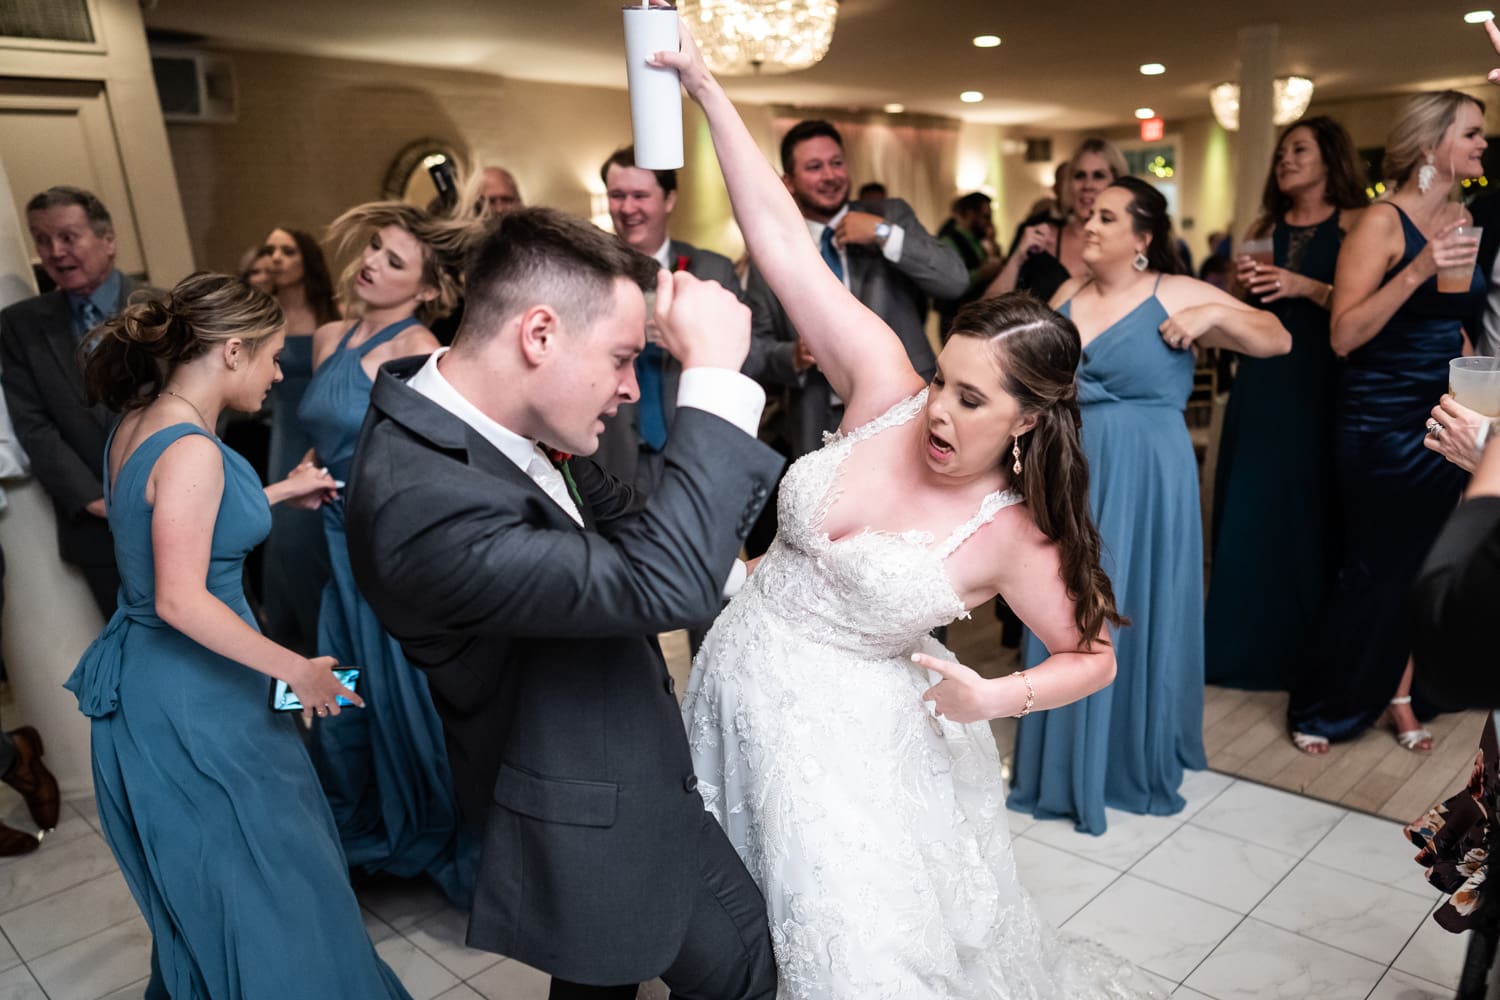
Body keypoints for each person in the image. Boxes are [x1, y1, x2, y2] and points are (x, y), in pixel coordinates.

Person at [658, 20, 1159, 997]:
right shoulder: (884, 382)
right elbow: (778, 243)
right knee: (724, 924)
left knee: (842, 954)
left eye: (972, 402)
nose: (938, 409)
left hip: (848, 753)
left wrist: (991, 697)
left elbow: (1092, 656)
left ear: (1025, 424)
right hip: (732, 688)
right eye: (945, 381)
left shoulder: (1015, 531)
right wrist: (708, 90)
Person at [344, 205, 783, 999]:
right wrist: (715, 377)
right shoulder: (421, 501)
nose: (627, 387)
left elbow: (627, 518)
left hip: (610, 770)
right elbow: (662, 584)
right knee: (743, 968)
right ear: (538, 334)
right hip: (587, 808)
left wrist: (770, 587)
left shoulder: (488, 414)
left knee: (604, 978)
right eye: (621, 357)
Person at [63, 271, 410, 999]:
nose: (279, 373)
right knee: (274, 882)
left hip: (157, 684)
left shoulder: (140, 422)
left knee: (234, 882)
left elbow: (166, 518)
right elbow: (182, 598)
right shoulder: (193, 449)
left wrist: (280, 492)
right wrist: (300, 671)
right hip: (203, 696)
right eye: (273, 356)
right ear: (229, 351)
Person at [1010, 177, 1291, 836]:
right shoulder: (1067, 295)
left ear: (1141, 238)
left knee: (1136, 602)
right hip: (1074, 465)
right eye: (1090, 214)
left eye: (1108, 217)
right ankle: (1065, 762)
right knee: (1068, 600)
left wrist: (1214, 316)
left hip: (1151, 470)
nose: (1091, 224)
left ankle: (1133, 752)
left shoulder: (1175, 290)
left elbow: (1277, 337)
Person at [1288, 90, 1487, 754]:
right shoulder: (1379, 221)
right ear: (1433, 143)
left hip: (1441, 411)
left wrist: (1470, 380)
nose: (1484, 145)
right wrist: (1420, 267)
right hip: (1377, 418)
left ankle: (1401, 696)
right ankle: (1324, 702)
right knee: (1373, 567)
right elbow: (1346, 334)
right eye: (1472, 133)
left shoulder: (1462, 212)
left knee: (1429, 563)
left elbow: (1446, 323)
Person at [298, 201, 474, 904]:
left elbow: (434, 463)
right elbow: (321, 431)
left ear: (427, 288)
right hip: (324, 535)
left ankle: (429, 831)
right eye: (373, 248)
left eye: (393, 261)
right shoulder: (329, 336)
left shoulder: (419, 349)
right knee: (333, 690)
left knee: (404, 696)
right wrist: (301, 481)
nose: (370, 262)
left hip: (385, 546)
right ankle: (357, 834)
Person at [1205, 117, 1368, 695]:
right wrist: (1240, 293)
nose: (1285, 159)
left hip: (1323, 379)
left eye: (1300, 149)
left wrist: (1304, 287)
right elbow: (1232, 308)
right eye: (1282, 150)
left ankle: (1309, 656)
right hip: (1264, 381)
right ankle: (1239, 650)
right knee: (1252, 504)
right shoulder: (1262, 227)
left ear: (1331, 158)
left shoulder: (1354, 224)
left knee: (1312, 506)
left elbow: (1363, 309)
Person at [741, 118, 968, 461]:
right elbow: (755, 349)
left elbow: (955, 280)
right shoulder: (771, 252)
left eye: (837, 163)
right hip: (819, 419)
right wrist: (792, 355)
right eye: (815, 167)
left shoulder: (889, 215)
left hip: (906, 407)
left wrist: (883, 234)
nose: (830, 176)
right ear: (788, 182)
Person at [0, 186, 151, 618]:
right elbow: (33, 424)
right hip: (99, 530)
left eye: (68, 237)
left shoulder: (164, 307)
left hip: (183, 510)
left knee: (235, 649)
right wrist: (94, 499)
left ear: (108, 239)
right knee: (136, 658)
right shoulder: (20, 327)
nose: (54, 251)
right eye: (42, 239)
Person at [594, 144, 743, 493]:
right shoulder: (588, 272)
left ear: (669, 200)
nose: (628, 208)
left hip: (692, 448)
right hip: (612, 454)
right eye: (617, 195)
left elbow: (751, 356)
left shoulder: (713, 270)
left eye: (640, 195)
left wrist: (694, 344)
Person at [260, 226, 340, 654]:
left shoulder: (334, 312)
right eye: (270, 250)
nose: (276, 257)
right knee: (286, 543)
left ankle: (341, 665)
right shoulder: (261, 314)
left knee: (323, 543)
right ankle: (305, 666)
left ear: (307, 259)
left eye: (287, 250)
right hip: (283, 435)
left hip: (325, 435)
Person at [984, 138, 1129, 305]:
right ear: (1069, 184)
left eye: (1099, 176)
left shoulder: (1129, 241)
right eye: (1079, 175)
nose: (1087, 185)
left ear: (1116, 183)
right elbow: (989, 309)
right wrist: (1017, 259)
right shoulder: (1041, 239)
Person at [935, 191, 1004, 336]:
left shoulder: (977, 240)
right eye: (985, 216)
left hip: (976, 316)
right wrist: (982, 273)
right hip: (956, 319)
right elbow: (949, 282)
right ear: (971, 214)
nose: (988, 222)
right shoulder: (948, 242)